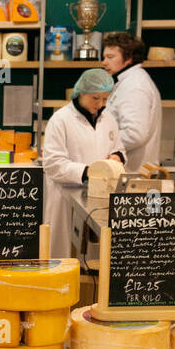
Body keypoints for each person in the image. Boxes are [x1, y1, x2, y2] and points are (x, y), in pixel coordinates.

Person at [42, 69, 125, 258]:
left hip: (99, 197)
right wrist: (88, 171)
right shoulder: (60, 120)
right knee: (62, 256)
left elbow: (119, 148)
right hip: (65, 198)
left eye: (105, 99)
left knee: (93, 259)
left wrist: (116, 157)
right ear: (81, 92)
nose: (101, 104)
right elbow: (53, 164)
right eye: (96, 98)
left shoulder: (108, 119)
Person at [102, 31, 162, 172]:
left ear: (128, 58)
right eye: (104, 57)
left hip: (132, 173)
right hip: (127, 172)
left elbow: (135, 134)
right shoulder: (128, 81)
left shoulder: (135, 86)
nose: (104, 62)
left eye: (110, 57)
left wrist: (101, 142)